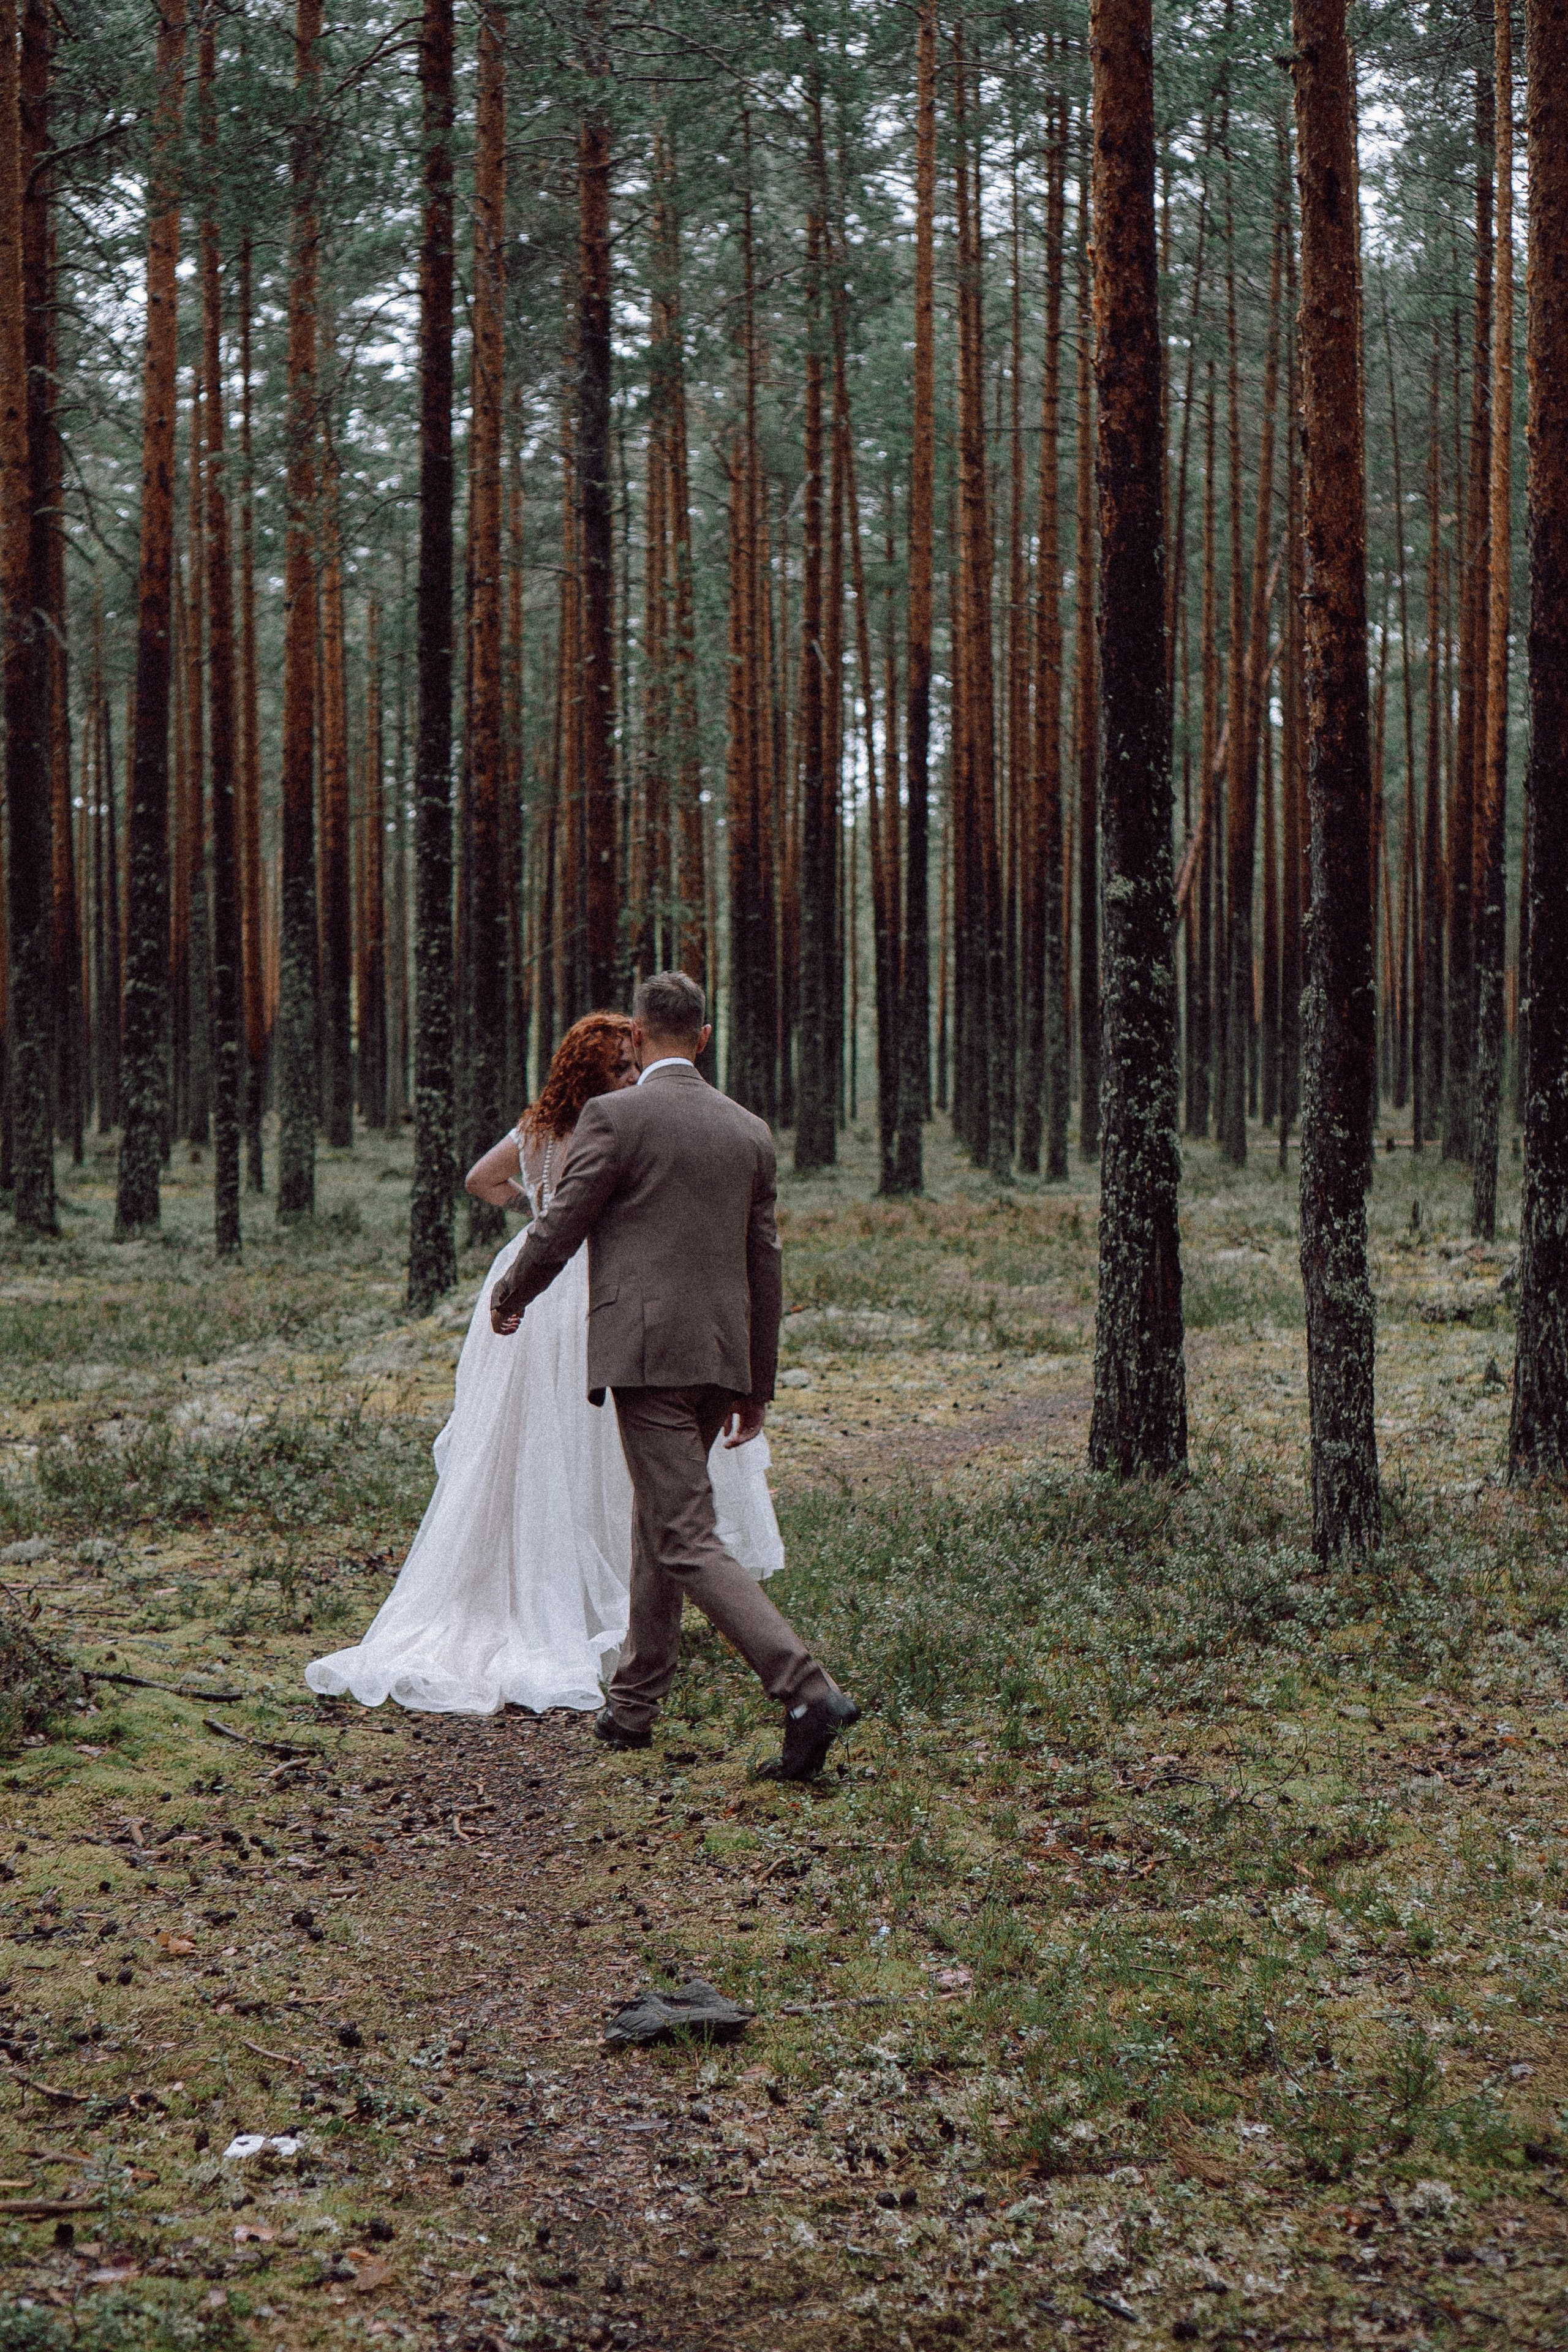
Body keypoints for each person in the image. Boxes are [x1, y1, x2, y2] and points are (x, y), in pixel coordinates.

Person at [305, 1011, 783, 1717]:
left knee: (598, 1451)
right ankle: (595, 1609)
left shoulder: (553, 1126)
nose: (630, 1077)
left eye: (632, 1064)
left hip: (565, 1282)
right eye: (618, 1068)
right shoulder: (620, 1122)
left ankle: (628, 1628)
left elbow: (486, 1182)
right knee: (561, 1445)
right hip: (578, 1290)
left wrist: (529, 1207)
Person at [489, 971, 859, 1782]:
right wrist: (757, 1382)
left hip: (648, 1354)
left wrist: (511, 1293)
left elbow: (562, 1224)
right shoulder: (749, 1129)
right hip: (721, 1352)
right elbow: (767, 1263)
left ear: (637, 1040)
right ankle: (633, 1707)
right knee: (663, 1517)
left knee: (683, 1532)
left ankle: (805, 1688)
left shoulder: (613, 1116)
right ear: (702, 1038)